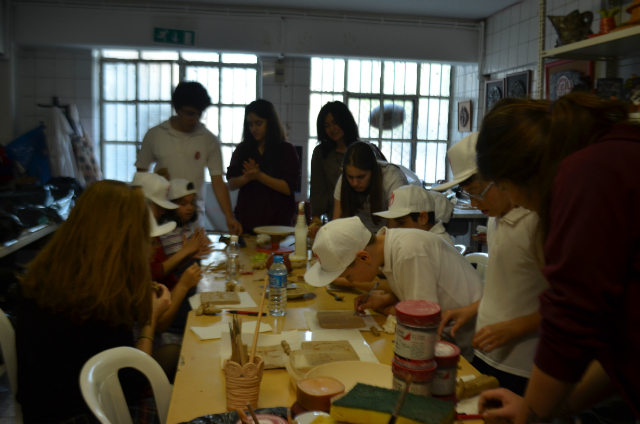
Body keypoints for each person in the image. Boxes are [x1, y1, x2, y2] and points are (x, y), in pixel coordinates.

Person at [475, 94, 640, 421]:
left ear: (521, 175)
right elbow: (610, 332)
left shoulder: (589, 172)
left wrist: (531, 417)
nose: (513, 201)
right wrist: (550, 409)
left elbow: (572, 321)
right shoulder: (611, 155)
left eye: (503, 187)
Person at [16, 180, 173, 423]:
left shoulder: (47, 276)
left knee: (176, 358)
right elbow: (131, 383)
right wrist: (150, 320)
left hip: (40, 413)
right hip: (85, 416)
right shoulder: (102, 298)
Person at [430, 133, 548, 396]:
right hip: (486, 355)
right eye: (467, 195)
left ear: (502, 178)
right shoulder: (495, 221)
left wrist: (517, 326)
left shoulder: (535, 223)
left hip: (522, 365)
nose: (474, 203)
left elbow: (570, 305)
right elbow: (507, 288)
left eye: (478, 193)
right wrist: (472, 310)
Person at [305, 216, 483, 361]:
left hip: (467, 347)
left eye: (348, 276)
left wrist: (386, 309)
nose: (349, 281)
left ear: (364, 257)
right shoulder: (391, 247)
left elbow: (422, 322)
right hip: (449, 337)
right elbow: (417, 292)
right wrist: (386, 299)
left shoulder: (408, 252)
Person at [135, 81, 242, 235]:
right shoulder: (155, 135)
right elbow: (141, 177)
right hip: (161, 215)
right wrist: (155, 180)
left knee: (194, 256)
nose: (195, 119)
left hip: (193, 217)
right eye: (190, 113)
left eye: (199, 114)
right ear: (176, 108)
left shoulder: (208, 139)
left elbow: (218, 182)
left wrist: (229, 217)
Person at [226, 99, 300, 233]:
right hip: (248, 223)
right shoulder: (243, 149)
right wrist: (246, 178)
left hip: (278, 225)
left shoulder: (286, 150)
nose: (254, 129)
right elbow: (231, 184)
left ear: (270, 123)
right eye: (250, 124)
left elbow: (288, 188)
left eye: (259, 124)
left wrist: (259, 176)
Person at [310, 101, 385, 223]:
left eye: (335, 123)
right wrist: (316, 219)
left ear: (345, 121)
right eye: (327, 125)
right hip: (338, 219)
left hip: (370, 218)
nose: (332, 129)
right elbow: (317, 189)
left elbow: (381, 181)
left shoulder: (365, 148)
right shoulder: (321, 153)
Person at [132, 172, 209, 290]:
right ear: (143, 203)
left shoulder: (149, 229)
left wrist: (187, 256)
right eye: (159, 207)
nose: (163, 212)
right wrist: (185, 252)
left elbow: (166, 268)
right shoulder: (138, 236)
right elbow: (154, 273)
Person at [333, 141, 408, 233]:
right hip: (358, 235)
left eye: (361, 177)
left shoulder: (393, 179)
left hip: (388, 236)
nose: (355, 183)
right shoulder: (343, 180)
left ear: (373, 171)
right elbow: (335, 224)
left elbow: (392, 232)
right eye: (350, 177)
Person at [373, 184, 455, 246]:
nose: (395, 229)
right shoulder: (421, 240)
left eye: (401, 223)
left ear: (423, 218)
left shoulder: (432, 245)